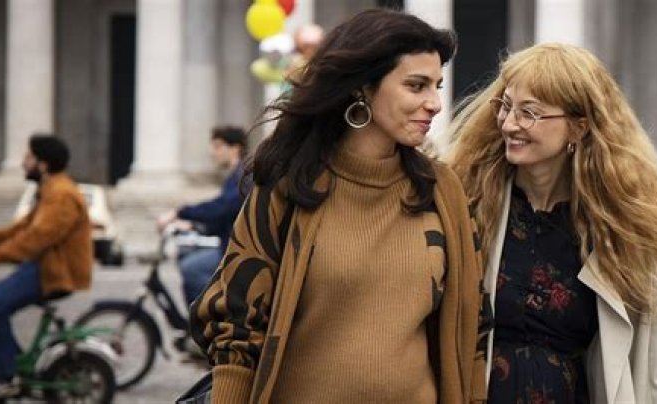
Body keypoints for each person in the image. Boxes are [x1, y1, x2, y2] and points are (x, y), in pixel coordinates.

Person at [189, 9, 488, 404]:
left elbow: (473, 326)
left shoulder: (443, 191)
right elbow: (237, 323)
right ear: (362, 86)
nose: (434, 103)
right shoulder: (285, 186)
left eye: (437, 86)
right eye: (416, 86)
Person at [445, 42, 657, 403]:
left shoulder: (618, 230)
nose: (509, 123)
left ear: (578, 128)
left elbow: (647, 369)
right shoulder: (471, 203)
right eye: (506, 106)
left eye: (529, 113)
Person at [0, 134, 93, 401]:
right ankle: (8, 362)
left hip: (54, 273)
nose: (22, 163)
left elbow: (36, 238)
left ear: (43, 164)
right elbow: (18, 230)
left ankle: (4, 377)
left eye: (28, 157)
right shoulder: (50, 189)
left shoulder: (61, 195)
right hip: (41, 267)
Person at [157, 126, 248, 306]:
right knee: (187, 257)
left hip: (236, 252)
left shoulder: (242, 175)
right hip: (229, 245)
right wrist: (193, 226)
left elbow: (222, 207)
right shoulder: (236, 175)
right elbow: (225, 217)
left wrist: (180, 212)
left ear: (235, 148)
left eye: (218, 146)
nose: (212, 152)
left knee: (191, 269)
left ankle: (216, 312)